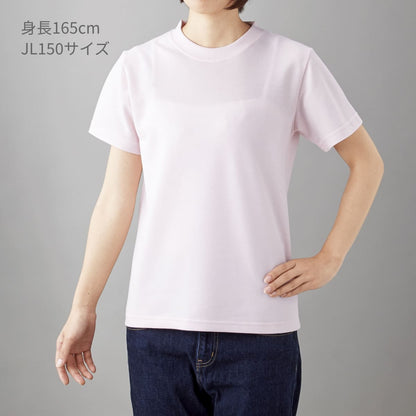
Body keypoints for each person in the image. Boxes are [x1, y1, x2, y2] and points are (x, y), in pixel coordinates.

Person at [55, 1, 384, 415]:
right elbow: (114, 202)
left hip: (259, 331)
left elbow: (367, 162)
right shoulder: (137, 67)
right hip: (157, 331)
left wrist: (330, 258)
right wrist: (83, 307)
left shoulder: (292, 63)